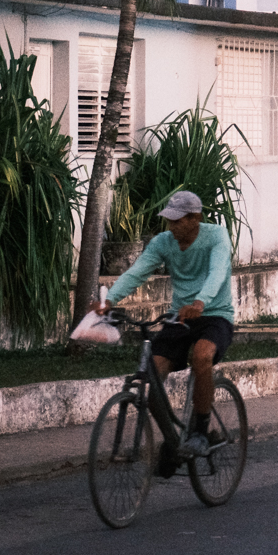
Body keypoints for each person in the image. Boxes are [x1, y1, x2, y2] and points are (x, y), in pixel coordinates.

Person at [98, 190, 235, 459]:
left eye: (178, 221)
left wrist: (200, 302)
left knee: (202, 356)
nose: (171, 227)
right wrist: (110, 300)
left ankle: (200, 432)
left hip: (214, 313)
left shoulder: (216, 236)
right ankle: (174, 445)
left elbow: (218, 272)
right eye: (169, 221)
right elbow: (138, 271)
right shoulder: (164, 242)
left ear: (195, 218)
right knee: (153, 381)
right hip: (179, 317)